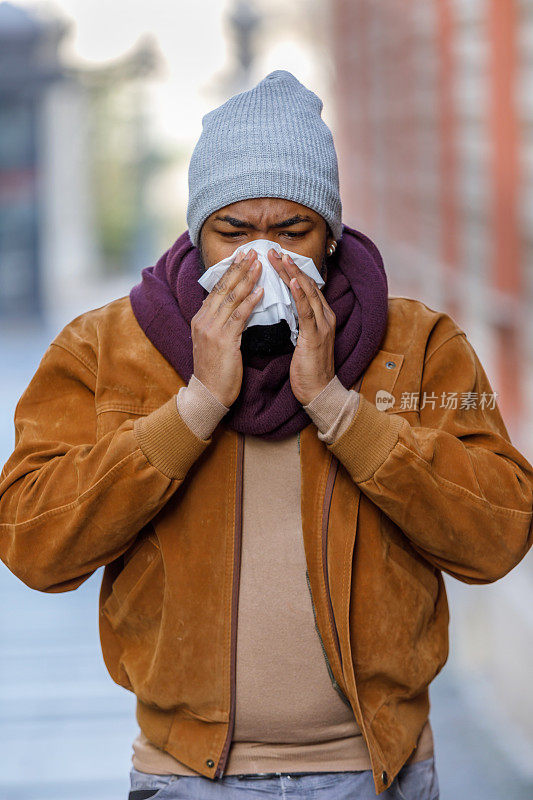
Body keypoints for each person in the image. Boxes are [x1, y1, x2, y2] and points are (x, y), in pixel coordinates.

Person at [1, 70, 532, 800]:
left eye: (290, 232)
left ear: (331, 235)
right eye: (233, 232)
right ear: (196, 230)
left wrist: (339, 408)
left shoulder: (416, 344)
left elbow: (496, 535)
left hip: (377, 772)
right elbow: (33, 542)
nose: (260, 259)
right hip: (186, 776)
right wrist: (194, 408)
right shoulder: (105, 347)